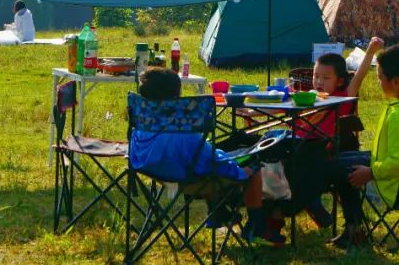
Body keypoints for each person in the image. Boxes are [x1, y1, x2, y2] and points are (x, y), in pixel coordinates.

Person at [129, 67, 282, 245]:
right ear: (176, 96)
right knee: (252, 169)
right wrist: (240, 171)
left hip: (153, 172)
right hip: (187, 179)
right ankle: (256, 229)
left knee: (208, 163)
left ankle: (219, 214)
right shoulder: (183, 132)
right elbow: (211, 161)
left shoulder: (142, 124)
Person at [324, 44, 399, 249]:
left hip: (394, 184)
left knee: (338, 171)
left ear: (396, 81)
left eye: (380, 78)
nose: (378, 82)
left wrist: (371, 172)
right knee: (338, 161)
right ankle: (354, 227)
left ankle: (353, 228)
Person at [288, 37, 383, 230]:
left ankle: (304, 204)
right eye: (316, 76)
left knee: (296, 165)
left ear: (339, 80)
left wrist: (371, 52)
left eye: (325, 78)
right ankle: (305, 205)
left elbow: (359, 76)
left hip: (320, 149)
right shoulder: (307, 98)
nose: (319, 82)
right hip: (296, 143)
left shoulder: (343, 97)